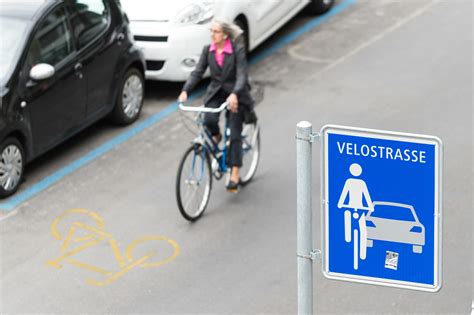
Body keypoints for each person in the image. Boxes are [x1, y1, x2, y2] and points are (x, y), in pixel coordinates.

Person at [178, 18, 255, 193]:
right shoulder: (208, 51)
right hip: (216, 93)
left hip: (236, 93)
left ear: (225, 34)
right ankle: (216, 135)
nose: (212, 35)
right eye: (211, 31)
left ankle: (235, 171)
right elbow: (197, 72)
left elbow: (242, 75)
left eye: (216, 31)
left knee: (234, 132)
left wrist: (235, 94)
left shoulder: (237, 50)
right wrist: (185, 90)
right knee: (208, 119)